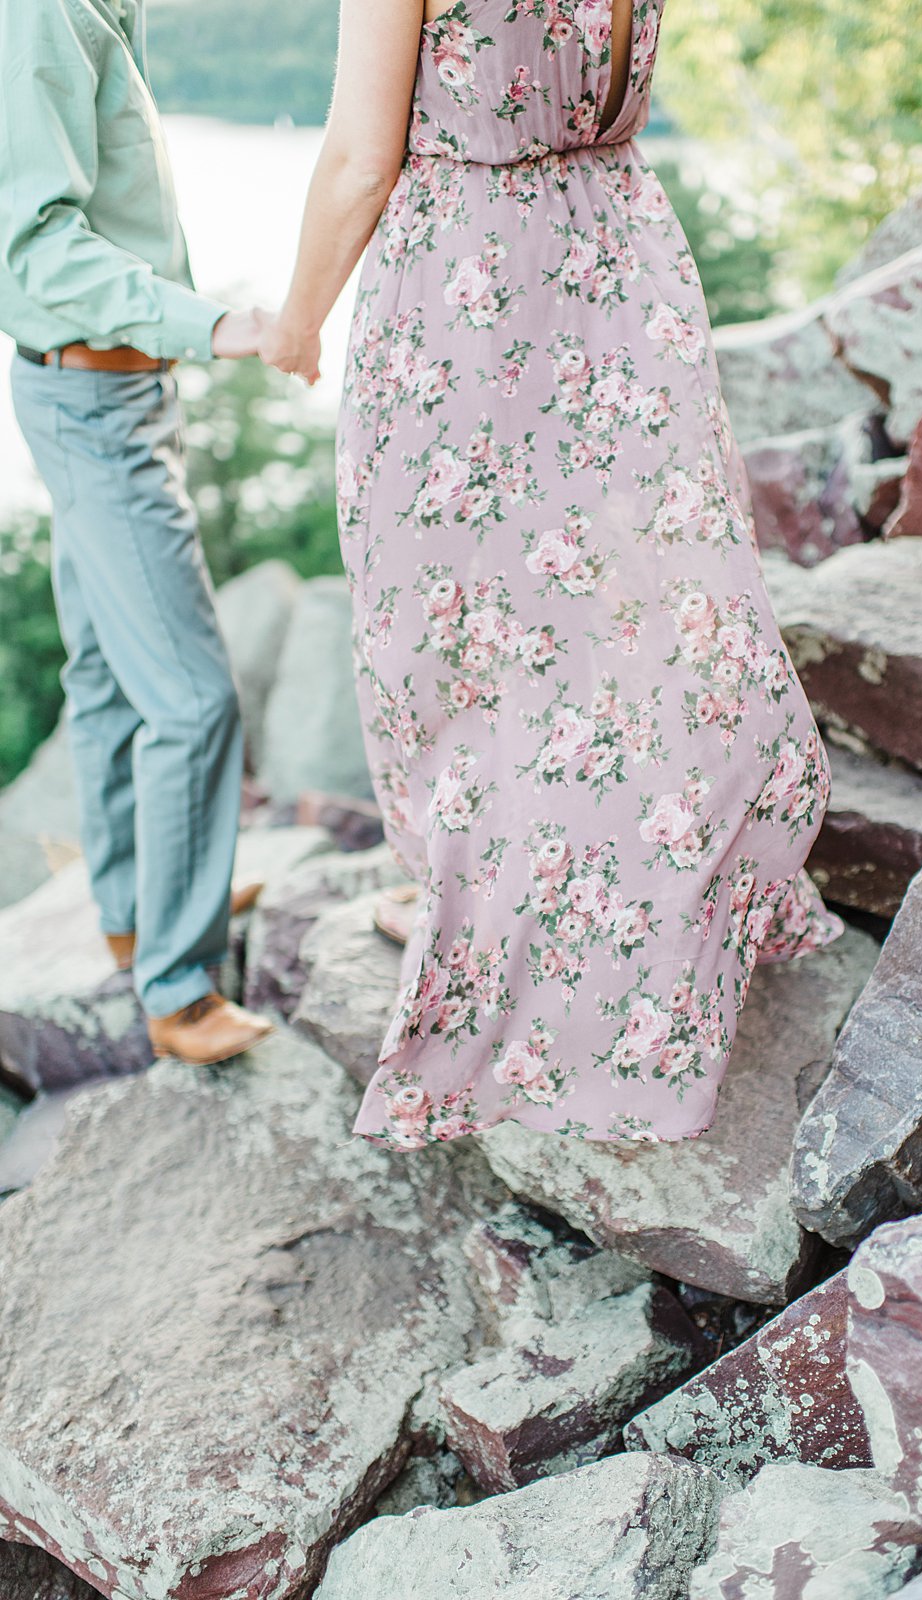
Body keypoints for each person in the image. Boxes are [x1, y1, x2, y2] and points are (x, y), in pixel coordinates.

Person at [261, 0, 845, 1148]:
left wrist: (295, 323)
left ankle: (483, 923)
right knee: (630, 613)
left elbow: (357, 159)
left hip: (467, 285)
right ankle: (662, 895)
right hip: (620, 254)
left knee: (452, 632)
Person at [0, 0, 275, 1066]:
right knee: (195, 699)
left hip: (104, 395)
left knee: (113, 673)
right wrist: (208, 322)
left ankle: (140, 905)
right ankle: (178, 981)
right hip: (94, 404)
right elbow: (33, 248)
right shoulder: (38, 13)